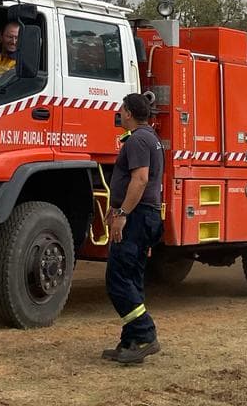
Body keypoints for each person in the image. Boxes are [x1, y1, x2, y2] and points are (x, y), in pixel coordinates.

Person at [101, 92, 165, 365]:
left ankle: (145, 334)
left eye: (121, 109)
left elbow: (139, 180)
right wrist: (115, 207)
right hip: (143, 216)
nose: (119, 113)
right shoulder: (148, 137)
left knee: (117, 279)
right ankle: (131, 342)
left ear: (128, 112)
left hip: (137, 217)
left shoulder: (138, 140)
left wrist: (123, 213)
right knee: (131, 278)